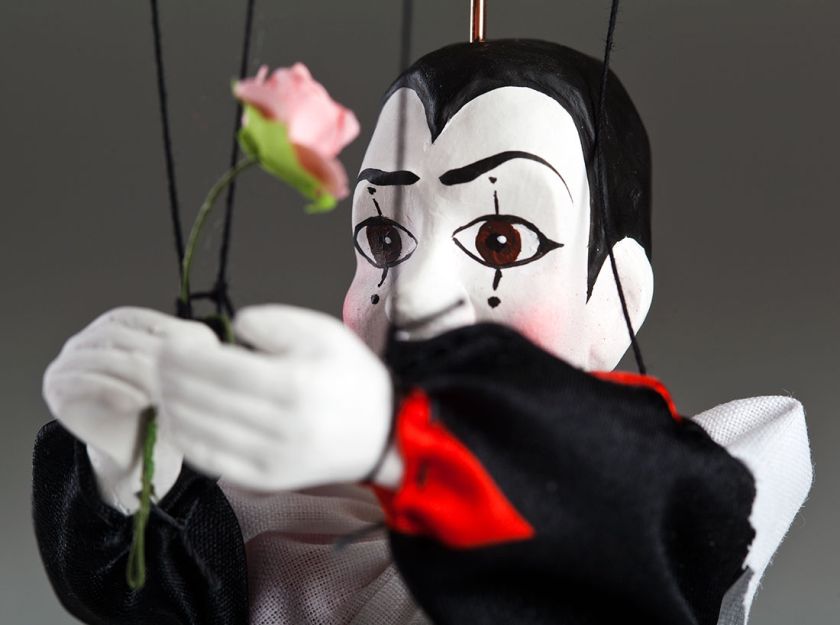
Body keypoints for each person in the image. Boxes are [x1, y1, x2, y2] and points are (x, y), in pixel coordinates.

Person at [34, 40, 812, 625]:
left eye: (501, 241)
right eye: (383, 238)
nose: (412, 293)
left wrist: (395, 440)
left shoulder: (688, 487)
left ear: (613, 298)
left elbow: (632, 549)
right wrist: (129, 471)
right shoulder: (280, 507)